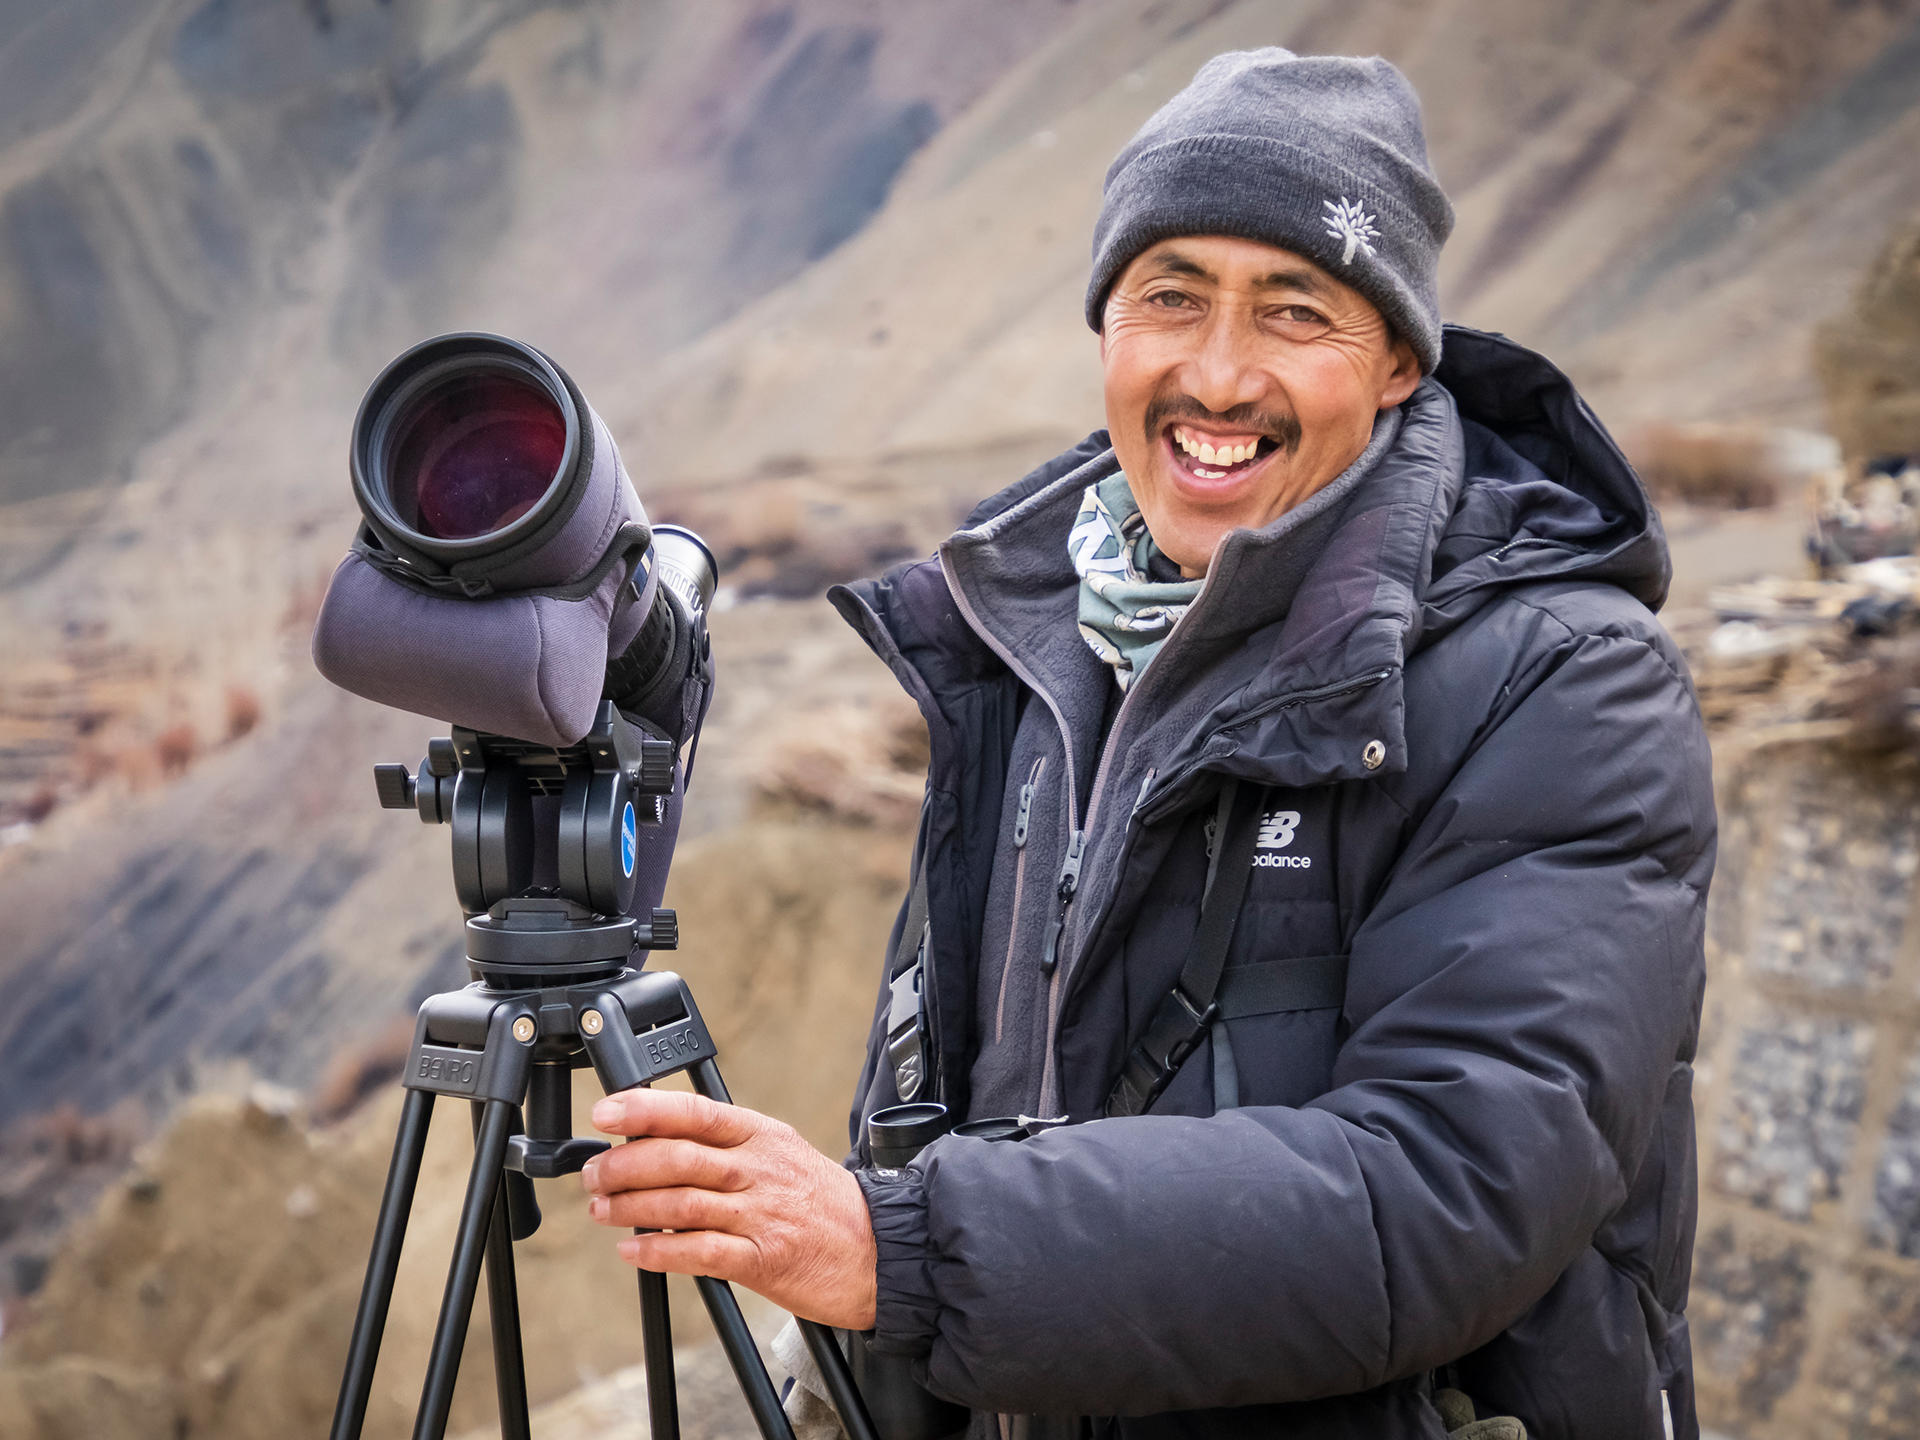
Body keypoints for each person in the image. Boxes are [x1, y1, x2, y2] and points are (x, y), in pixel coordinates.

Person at [581, 48, 1713, 1440]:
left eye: (1296, 311)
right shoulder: (1030, 649)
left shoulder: (1563, 687)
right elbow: (945, 1108)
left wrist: (904, 1254)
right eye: (1170, 297)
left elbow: (1450, 1191)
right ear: (1107, 325)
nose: (1218, 375)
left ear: (1400, 364)